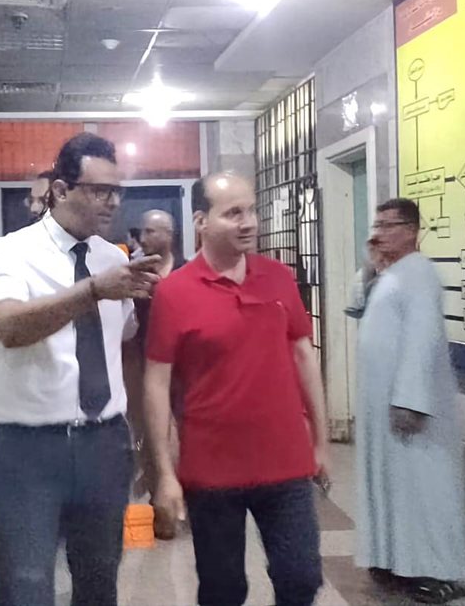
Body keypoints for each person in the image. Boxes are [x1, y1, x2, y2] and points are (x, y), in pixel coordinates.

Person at [0, 132, 161, 606]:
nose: (112, 202)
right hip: (27, 449)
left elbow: (122, 343)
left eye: (116, 191)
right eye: (100, 190)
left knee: (99, 583)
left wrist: (142, 441)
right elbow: (8, 326)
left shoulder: (112, 258)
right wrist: (92, 291)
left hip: (104, 444)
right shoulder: (11, 252)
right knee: (24, 586)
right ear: (61, 191)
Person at [144, 172, 329, 606]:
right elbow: (156, 382)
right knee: (223, 589)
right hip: (212, 468)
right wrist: (165, 473)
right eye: (233, 213)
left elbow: (304, 357)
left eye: (251, 211)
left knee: (301, 577)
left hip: (285, 461)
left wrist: (321, 442)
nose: (248, 223)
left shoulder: (278, 277)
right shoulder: (174, 292)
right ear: (201, 221)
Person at [354, 198, 465, 604]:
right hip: (382, 405)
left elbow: (422, 340)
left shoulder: (420, 273)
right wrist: (371, 265)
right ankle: (391, 560)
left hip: (410, 409)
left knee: (424, 489)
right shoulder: (390, 274)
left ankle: (434, 571)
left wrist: (410, 400)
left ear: (411, 230)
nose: (379, 233)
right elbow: (354, 305)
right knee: (392, 486)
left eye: (388, 226)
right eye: (377, 225)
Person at [131, 208, 185, 538]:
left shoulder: (186, 273)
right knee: (154, 438)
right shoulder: (137, 276)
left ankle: (182, 500)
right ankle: (160, 506)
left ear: (169, 234)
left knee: (184, 438)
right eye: (143, 231)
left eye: (152, 231)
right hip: (147, 369)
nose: (144, 238)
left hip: (186, 371)